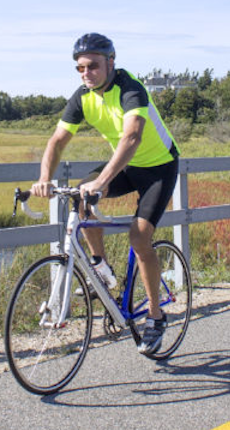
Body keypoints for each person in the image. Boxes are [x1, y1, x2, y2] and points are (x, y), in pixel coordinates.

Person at [31, 33, 180, 355]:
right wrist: (44, 178)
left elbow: (132, 136)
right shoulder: (82, 96)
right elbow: (57, 140)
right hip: (125, 166)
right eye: (80, 68)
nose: (86, 73)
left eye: (93, 66)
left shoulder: (130, 88)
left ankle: (155, 317)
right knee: (80, 198)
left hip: (159, 167)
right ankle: (100, 264)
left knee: (140, 238)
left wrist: (101, 182)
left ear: (110, 63)